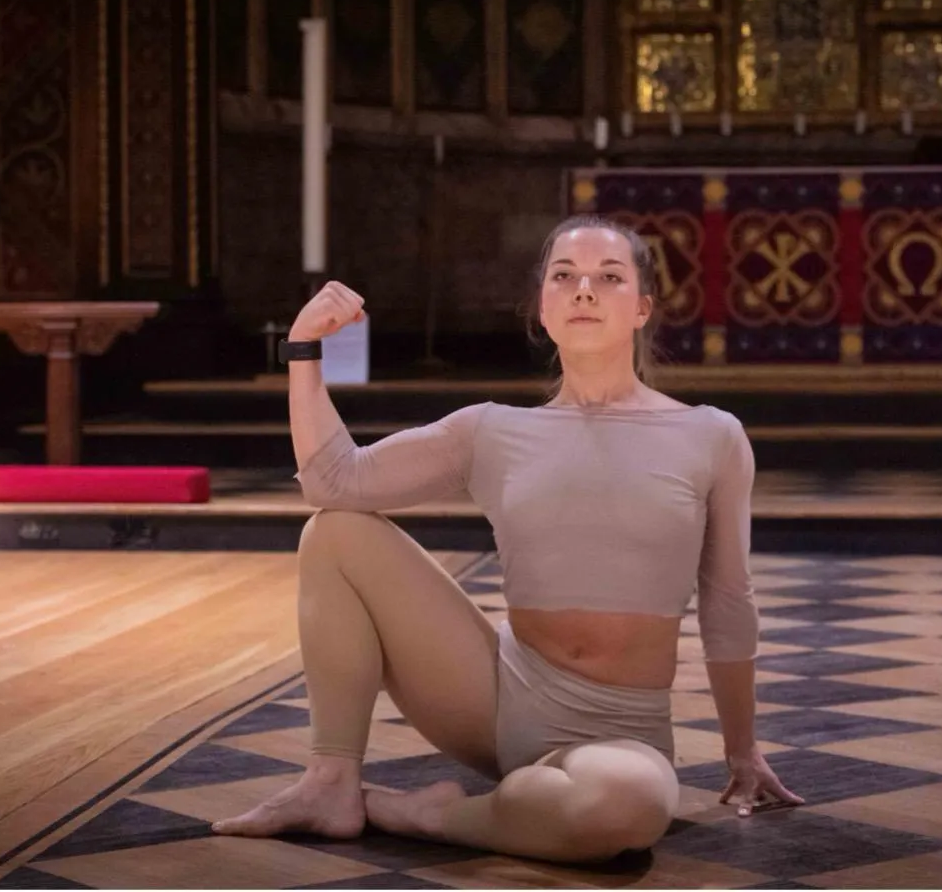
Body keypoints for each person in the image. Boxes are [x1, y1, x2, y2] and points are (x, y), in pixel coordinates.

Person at [213, 216, 803, 863]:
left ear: (641, 309)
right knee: (335, 533)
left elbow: (726, 600)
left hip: (618, 730)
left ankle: (433, 815)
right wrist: (303, 349)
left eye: (608, 278)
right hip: (492, 696)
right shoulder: (490, 430)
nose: (583, 290)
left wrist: (740, 748)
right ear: (542, 307)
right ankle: (331, 780)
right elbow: (332, 482)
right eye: (563, 277)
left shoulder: (710, 436)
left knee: (624, 809)